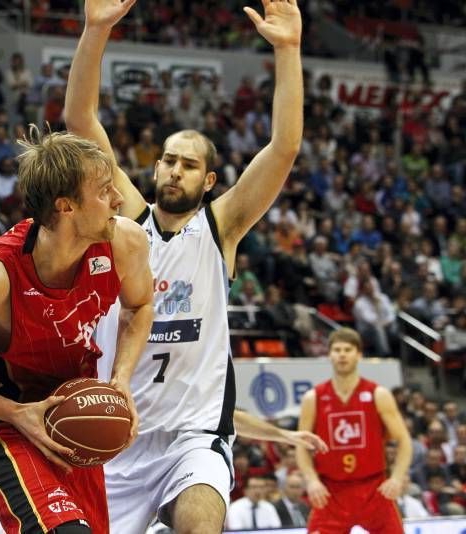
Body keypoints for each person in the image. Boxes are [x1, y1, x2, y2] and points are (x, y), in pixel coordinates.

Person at [65, 0, 303, 531]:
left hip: (194, 438)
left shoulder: (221, 228)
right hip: (119, 434)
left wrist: (287, 50)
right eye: (169, 160)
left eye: (189, 165)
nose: (175, 171)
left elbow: (284, 147)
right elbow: (81, 121)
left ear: (209, 181)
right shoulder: (127, 219)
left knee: (199, 519)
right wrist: (95, 29)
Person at [0, 132, 154, 532]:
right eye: (105, 192)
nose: (120, 200)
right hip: (6, 427)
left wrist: (121, 379)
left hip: (74, 419)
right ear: (66, 206)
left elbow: (139, 306)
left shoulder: (125, 243)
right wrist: (16, 413)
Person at [297, 328, 411, 533]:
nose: (342, 354)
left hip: (373, 489)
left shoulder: (378, 394)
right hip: (331, 492)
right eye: (337, 349)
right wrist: (311, 480)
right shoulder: (313, 398)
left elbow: (404, 440)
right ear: (329, 354)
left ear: (358, 354)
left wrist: (397, 477)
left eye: (348, 349)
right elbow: (301, 446)